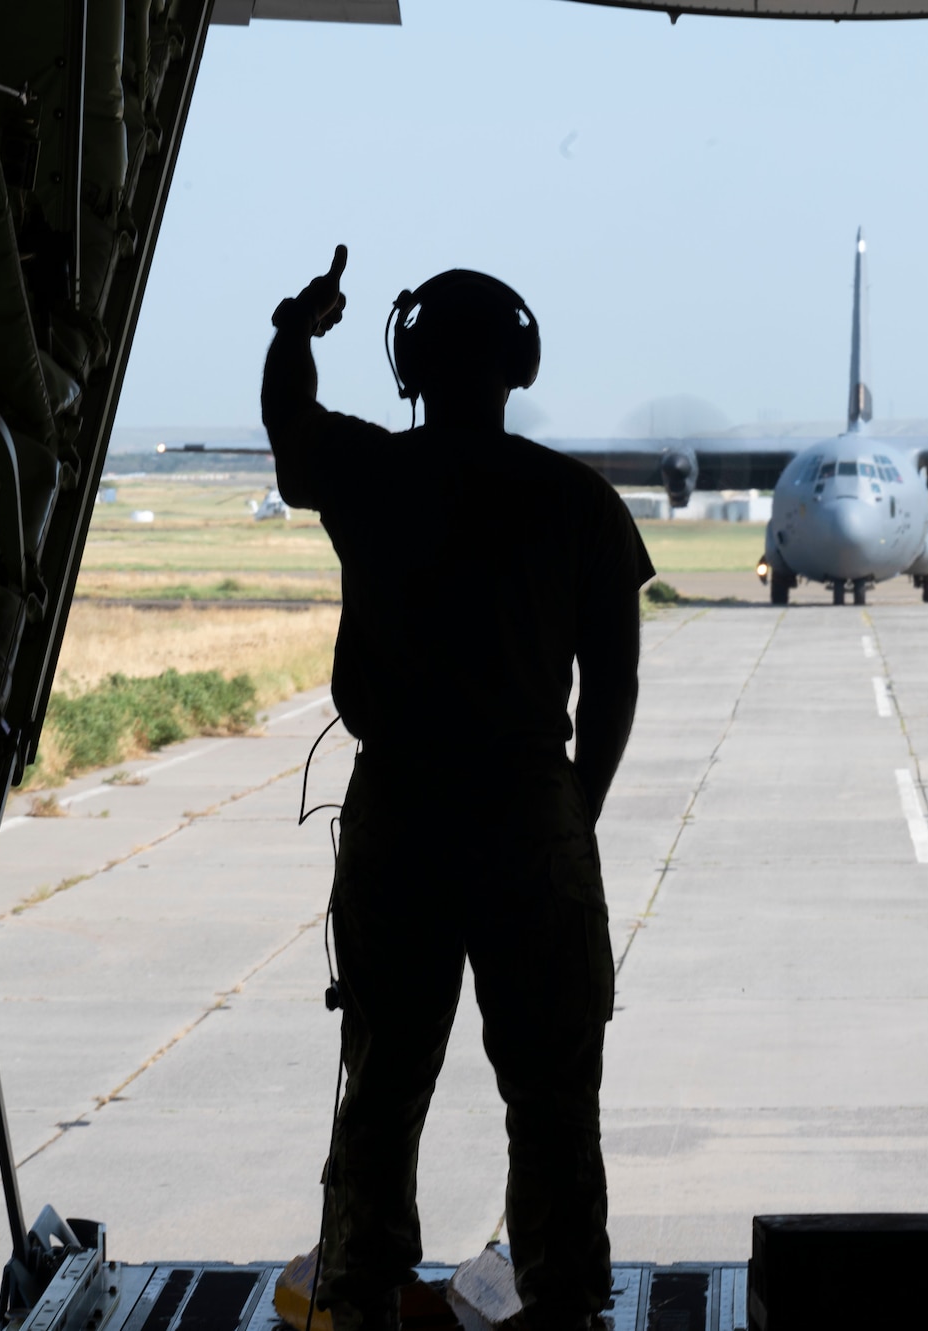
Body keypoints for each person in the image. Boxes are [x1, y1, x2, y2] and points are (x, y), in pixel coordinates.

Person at [261, 246, 652, 1331]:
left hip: (399, 811)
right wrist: (576, 804)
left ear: (409, 365)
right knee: (554, 1091)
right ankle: (564, 1302)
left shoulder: (369, 473)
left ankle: (358, 1292)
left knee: (382, 1080)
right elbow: (613, 680)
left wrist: (298, 326)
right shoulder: (576, 500)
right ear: (518, 366)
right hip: (530, 806)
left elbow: (289, 415)